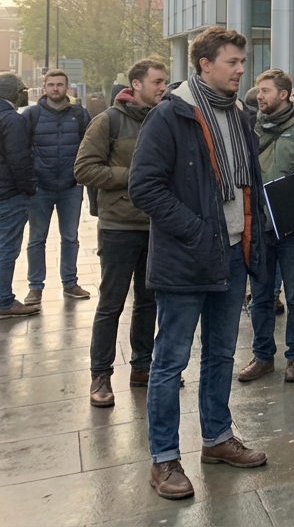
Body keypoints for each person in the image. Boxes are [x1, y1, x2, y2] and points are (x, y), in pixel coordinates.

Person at [129, 27, 268, 501]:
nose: (241, 69)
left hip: (232, 254)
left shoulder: (240, 114)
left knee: (222, 354)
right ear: (205, 64)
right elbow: (144, 187)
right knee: (170, 362)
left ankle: (216, 439)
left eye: (242, 61)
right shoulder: (170, 116)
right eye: (232, 62)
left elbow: (249, 183)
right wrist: (197, 230)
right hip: (187, 258)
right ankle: (164, 458)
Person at [76, 59, 169, 407]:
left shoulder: (164, 119)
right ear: (136, 84)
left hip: (156, 226)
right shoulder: (108, 121)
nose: (163, 87)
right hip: (118, 227)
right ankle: (100, 374)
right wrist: (135, 176)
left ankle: (142, 367)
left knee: (148, 302)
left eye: (165, 81)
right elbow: (84, 169)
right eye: (157, 81)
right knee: (111, 303)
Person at [238, 69, 294, 385]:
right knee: (260, 296)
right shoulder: (250, 129)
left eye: (265, 90)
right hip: (258, 228)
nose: (259, 96)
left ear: (284, 94)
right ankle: (263, 357)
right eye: (258, 90)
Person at [23, 68, 91, 303]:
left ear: (67, 87)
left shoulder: (80, 115)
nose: (55, 89)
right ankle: (35, 287)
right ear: (44, 87)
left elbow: (89, 148)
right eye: (51, 84)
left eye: (59, 84)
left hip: (71, 187)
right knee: (36, 239)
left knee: (70, 237)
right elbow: (21, 150)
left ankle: (70, 283)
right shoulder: (31, 116)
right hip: (40, 188)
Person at [0, 73, 37, 319]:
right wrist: (29, 187)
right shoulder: (11, 119)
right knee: (6, 249)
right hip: (9, 194)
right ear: (15, 92)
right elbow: (19, 159)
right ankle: (4, 301)